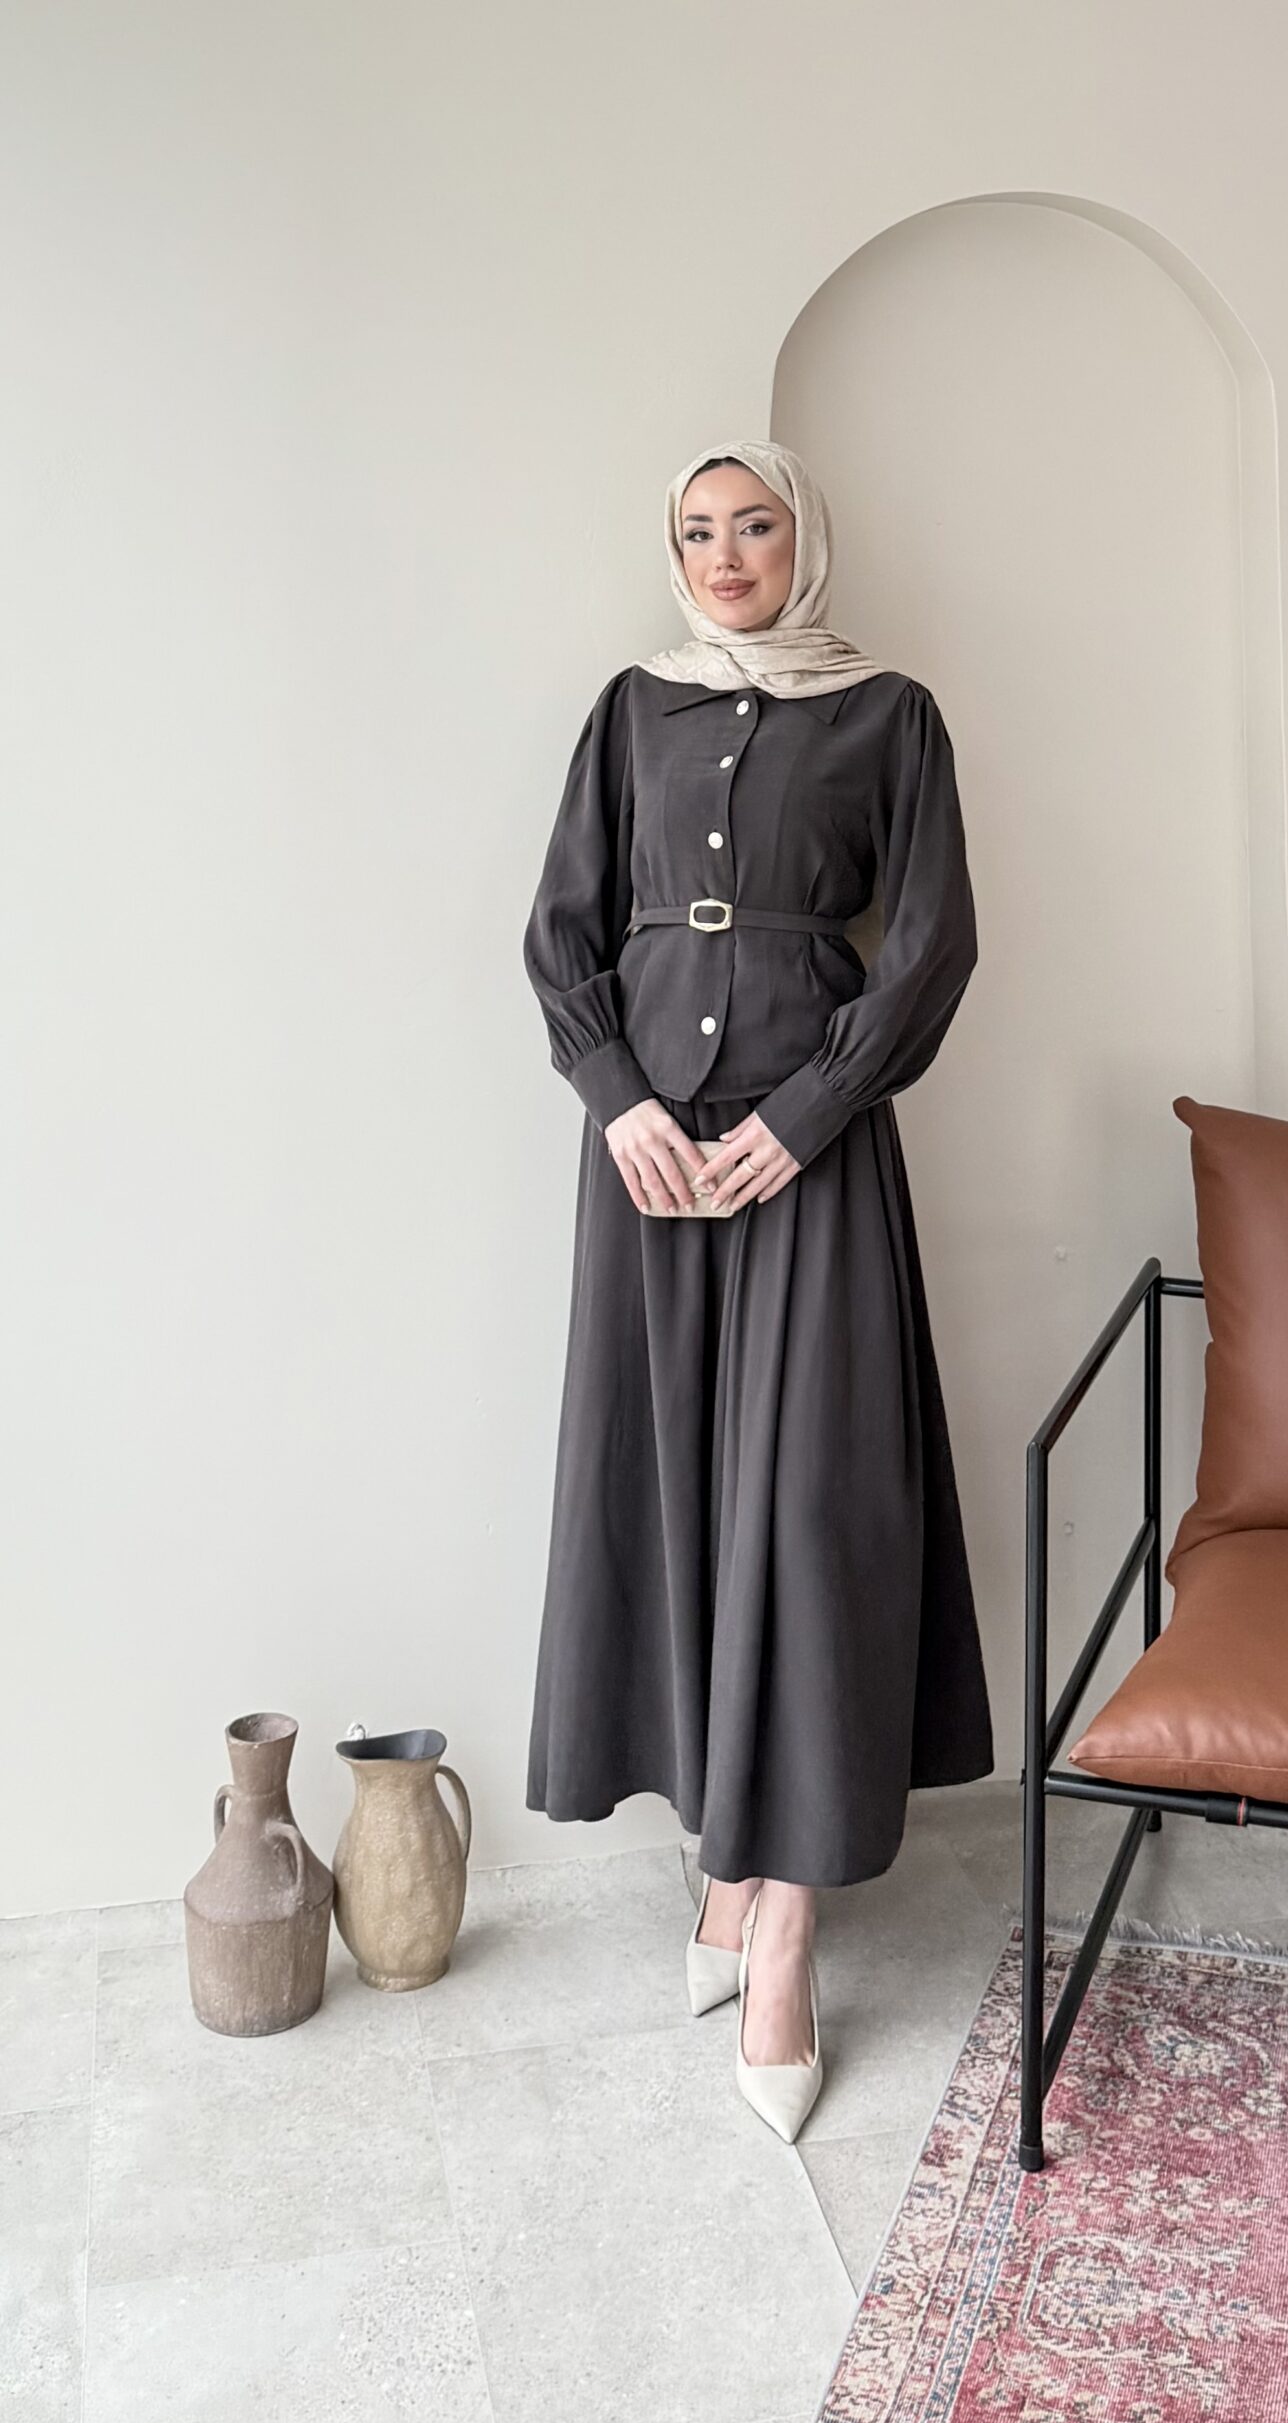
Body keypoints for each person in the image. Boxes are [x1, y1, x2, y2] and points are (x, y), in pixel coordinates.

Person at [521, 437, 992, 2141]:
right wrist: (618, 1101)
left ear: (808, 539)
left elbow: (930, 945)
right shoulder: (629, 711)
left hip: (814, 1158)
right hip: (650, 1162)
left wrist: (806, 1115)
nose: (727, 556)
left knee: (808, 1514)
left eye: (757, 526)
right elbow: (561, 930)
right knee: (671, 1500)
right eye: (700, 531)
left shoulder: (892, 714)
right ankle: (722, 1859)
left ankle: (782, 1924)